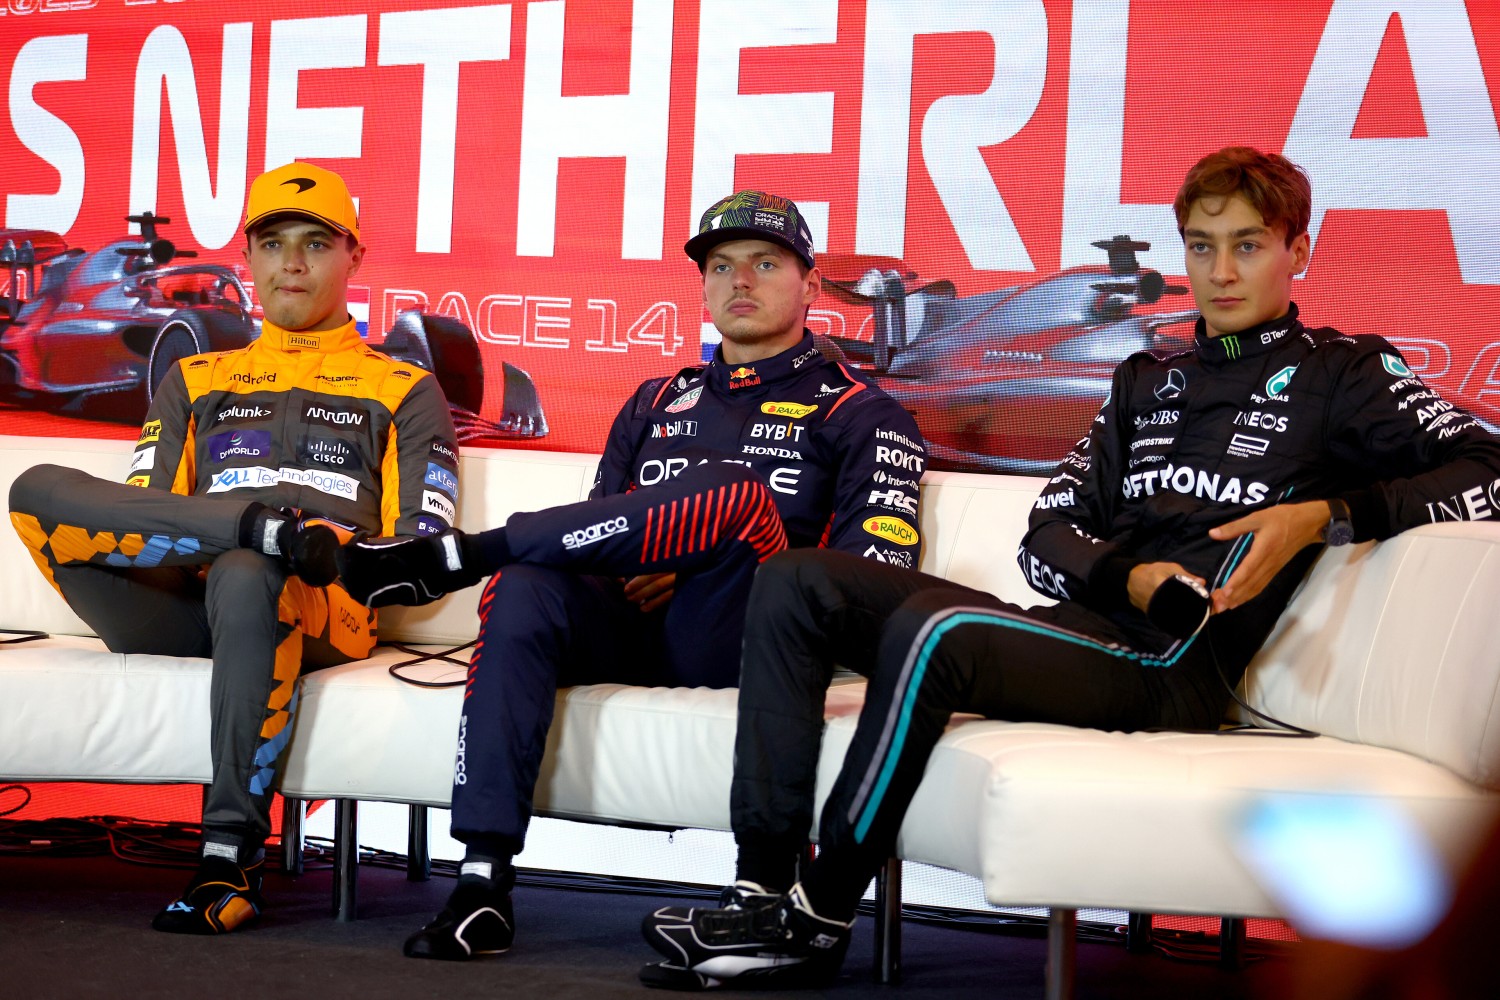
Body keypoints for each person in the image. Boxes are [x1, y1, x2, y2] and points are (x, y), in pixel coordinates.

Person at [636, 146, 1500, 990]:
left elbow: (1489, 467)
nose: (1221, 271)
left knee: (936, 633)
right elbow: (1047, 530)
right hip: (1090, 627)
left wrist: (1326, 515)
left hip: (1178, 666)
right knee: (801, 578)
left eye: (1248, 244)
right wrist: (1124, 577)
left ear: (1297, 252)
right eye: (1202, 247)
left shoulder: (1344, 374)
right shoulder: (1145, 378)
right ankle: (759, 881)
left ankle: (815, 920)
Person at [334, 190, 926, 961]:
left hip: (754, 642)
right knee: (526, 586)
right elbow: (591, 534)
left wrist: (709, 560)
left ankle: (459, 555)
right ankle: (482, 882)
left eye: (765, 263)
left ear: (811, 287)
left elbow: (866, 581)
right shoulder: (655, 400)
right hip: (635, 627)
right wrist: (643, 560)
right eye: (720, 266)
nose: (739, 280)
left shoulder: (862, 413)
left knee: (736, 494)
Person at [7, 162, 458, 934]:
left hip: (323, 605)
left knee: (255, 571)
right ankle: (256, 529)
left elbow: (425, 554)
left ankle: (226, 857)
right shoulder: (191, 377)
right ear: (246, 258)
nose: (293, 261)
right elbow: (142, 512)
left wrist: (326, 550)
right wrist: (239, 531)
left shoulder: (404, 389)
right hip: (186, 596)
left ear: (354, 257)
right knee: (34, 488)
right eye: (273, 242)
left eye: (316, 243)